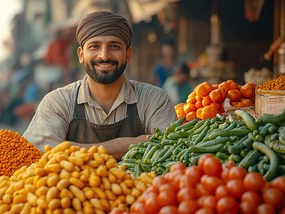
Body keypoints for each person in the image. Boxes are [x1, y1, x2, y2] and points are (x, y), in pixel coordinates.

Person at [23, 10, 176, 159]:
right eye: (94, 46)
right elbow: (39, 154)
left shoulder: (154, 99)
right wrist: (136, 143)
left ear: (128, 55)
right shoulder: (58, 102)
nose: (104, 56)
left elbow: (171, 145)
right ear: (81, 55)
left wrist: (72, 148)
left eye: (114, 46)